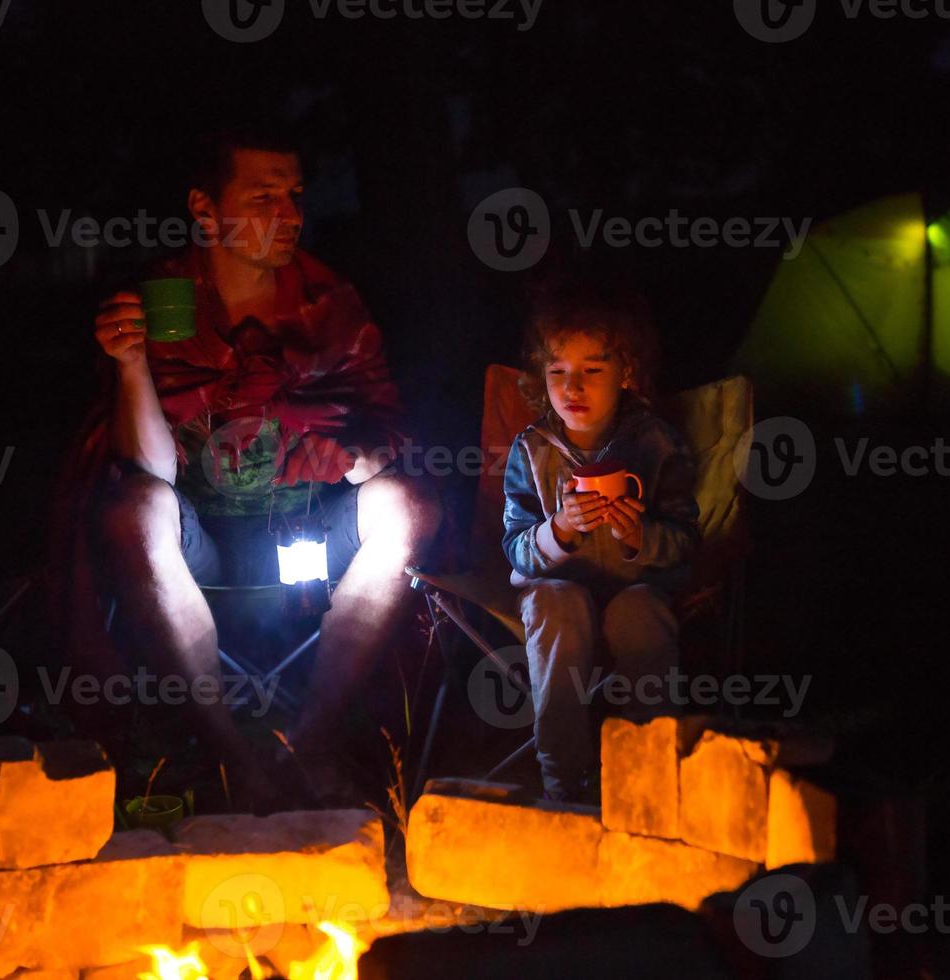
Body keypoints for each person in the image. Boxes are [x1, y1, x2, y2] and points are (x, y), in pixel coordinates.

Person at [56, 125, 441, 810]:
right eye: (264, 197)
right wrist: (132, 365)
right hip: (200, 537)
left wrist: (357, 457)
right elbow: (150, 470)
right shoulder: (164, 301)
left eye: (294, 196)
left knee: (408, 505)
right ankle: (230, 757)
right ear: (205, 210)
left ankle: (311, 742)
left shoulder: (330, 305)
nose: (290, 215)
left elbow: (390, 431)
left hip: (310, 534)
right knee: (134, 508)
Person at [501, 286, 700, 802]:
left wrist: (638, 537)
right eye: (557, 371)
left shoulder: (656, 444)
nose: (573, 387)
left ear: (626, 374)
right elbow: (514, 547)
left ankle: (652, 780)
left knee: (638, 616)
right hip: (557, 585)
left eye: (591, 370)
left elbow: (684, 541)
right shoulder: (531, 448)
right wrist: (559, 530)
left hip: (636, 585)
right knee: (556, 606)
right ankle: (563, 783)